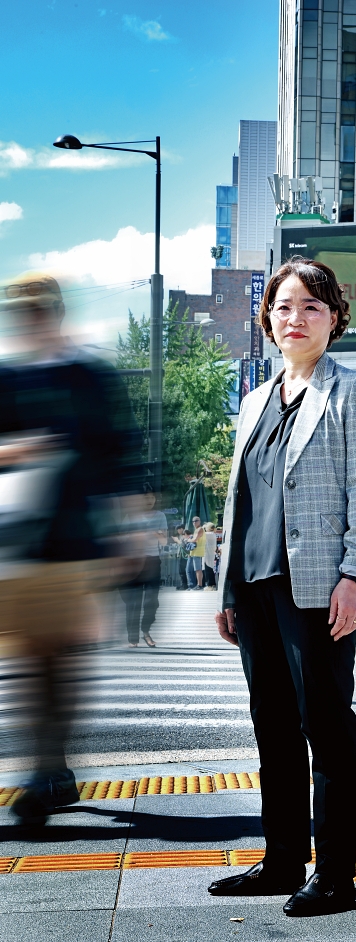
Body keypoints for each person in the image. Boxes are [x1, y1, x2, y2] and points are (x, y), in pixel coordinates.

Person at [210, 258, 356, 917]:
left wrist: (354, 575)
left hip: (316, 585)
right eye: (284, 306)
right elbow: (241, 501)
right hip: (254, 587)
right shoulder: (256, 398)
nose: (296, 317)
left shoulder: (352, 390)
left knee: (326, 725)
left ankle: (335, 873)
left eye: (311, 306)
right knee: (273, 726)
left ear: (335, 317)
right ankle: (283, 856)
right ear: (268, 319)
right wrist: (228, 587)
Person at [0, 271, 140, 825]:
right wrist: (13, 451)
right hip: (14, 538)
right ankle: (51, 766)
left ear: (56, 312)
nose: (33, 317)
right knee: (32, 656)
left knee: (56, 653)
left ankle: (48, 768)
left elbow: (121, 454)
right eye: (23, 310)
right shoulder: (6, 379)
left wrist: (132, 527)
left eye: (41, 309)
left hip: (73, 540)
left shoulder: (90, 376)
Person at [120, 484, 167, 647]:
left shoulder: (160, 516)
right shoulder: (131, 516)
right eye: (146, 497)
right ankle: (133, 638)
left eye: (152, 497)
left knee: (152, 601)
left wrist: (154, 532)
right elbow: (122, 539)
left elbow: (164, 540)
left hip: (153, 561)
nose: (149, 500)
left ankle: (145, 630)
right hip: (135, 561)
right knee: (133, 602)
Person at [186, 515, 205, 589]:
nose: (194, 522)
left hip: (198, 552)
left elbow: (195, 539)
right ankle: (196, 585)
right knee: (193, 569)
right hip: (194, 552)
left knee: (198, 569)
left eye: (196, 521)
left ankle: (199, 585)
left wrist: (188, 540)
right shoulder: (196, 530)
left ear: (199, 521)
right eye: (193, 521)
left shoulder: (200, 529)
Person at [172, 524, 189, 590]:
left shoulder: (185, 535)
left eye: (178, 530)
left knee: (182, 571)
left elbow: (183, 545)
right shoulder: (182, 535)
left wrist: (177, 540)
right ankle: (184, 584)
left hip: (184, 556)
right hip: (181, 555)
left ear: (181, 529)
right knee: (181, 571)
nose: (178, 531)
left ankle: (185, 585)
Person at [203, 521, 217, 590]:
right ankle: (210, 585)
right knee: (208, 569)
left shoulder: (210, 534)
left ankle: (211, 585)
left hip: (209, 555)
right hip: (208, 554)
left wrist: (202, 528)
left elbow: (201, 533)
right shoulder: (211, 534)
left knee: (209, 570)